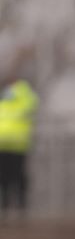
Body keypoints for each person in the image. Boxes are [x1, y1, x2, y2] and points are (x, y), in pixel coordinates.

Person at [0, 79, 39, 216]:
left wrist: (19, 90)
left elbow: (33, 102)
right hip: (2, 145)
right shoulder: (3, 99)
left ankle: (22, 207)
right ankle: (5, 207)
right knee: (4, 178)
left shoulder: (23, 96)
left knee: (18, 177)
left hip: (18, 145)